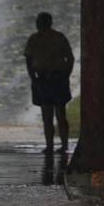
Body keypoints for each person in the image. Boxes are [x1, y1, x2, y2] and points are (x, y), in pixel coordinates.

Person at [24, 12, 75, 154]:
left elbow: (28, 60)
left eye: (40, 21)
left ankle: (57, 145)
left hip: (50, 79)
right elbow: (69, 57)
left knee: (54, 114)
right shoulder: (53, 38)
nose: (38, 24)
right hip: (50, 79)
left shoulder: (41, 39)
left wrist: (33, 77)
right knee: (52, 114)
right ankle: (54, 145)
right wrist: (66, 74)